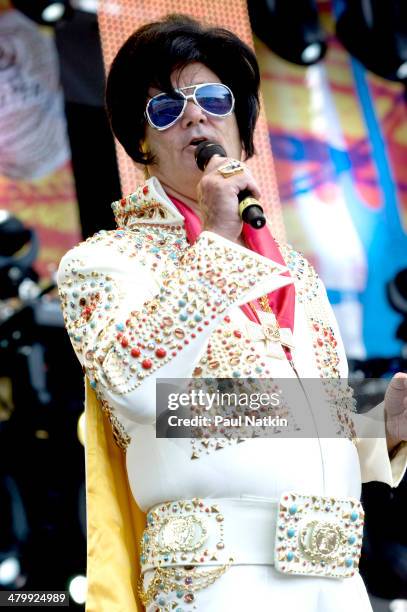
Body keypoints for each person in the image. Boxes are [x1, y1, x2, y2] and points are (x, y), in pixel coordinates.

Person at [57, 14, 407, 612]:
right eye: (165, 108)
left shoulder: (295, 270)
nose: (195, 116)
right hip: (216, 580)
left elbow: (306, 421)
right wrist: (217, 240)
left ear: (241, 128)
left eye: (213, 99)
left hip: (339, 580)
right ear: (142, 145)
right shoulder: (105, 261)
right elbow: (144, 394)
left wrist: (383, 431)